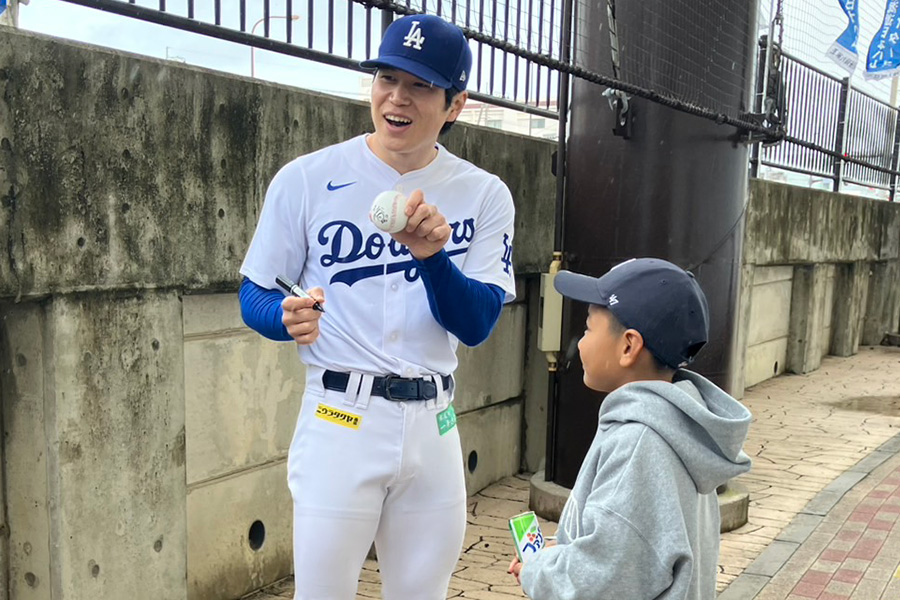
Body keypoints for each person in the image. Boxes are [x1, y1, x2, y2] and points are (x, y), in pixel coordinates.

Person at [238, 13, 516, 600]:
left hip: (434, 424)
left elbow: (478, 322)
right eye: (387, 77)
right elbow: (254, 293)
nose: (398, 97)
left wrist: (433, 257)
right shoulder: (307, 179)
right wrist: (282, 318)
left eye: (420, 85)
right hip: (341, 417)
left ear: (455, 105)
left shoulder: (485, 193)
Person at [508, 258, 752, 599]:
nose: (579, 342)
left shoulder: (639, 444)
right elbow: (631, 549)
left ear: (628, 346)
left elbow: (597, 583)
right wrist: (565, 549)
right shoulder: (681, 429)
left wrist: (537, 570)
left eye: (590, 328)